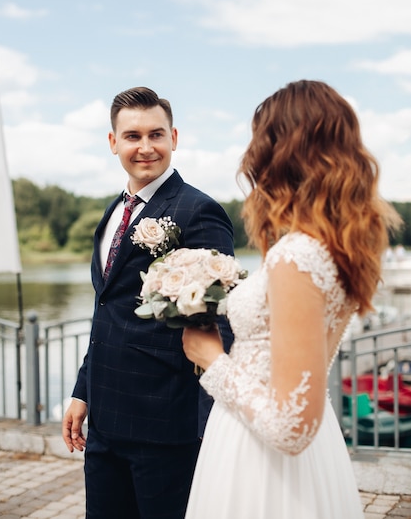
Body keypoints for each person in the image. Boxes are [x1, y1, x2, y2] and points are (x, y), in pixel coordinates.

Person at [182, 80, 400, 519]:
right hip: (308, 448)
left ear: (279, 154)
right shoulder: (334, 250)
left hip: (262, 458)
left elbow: (290, 428)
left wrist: (212, 359)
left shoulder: (297, 257)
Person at [62, 86, 234, 519]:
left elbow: (223, 320)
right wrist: (82, 393)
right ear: (113, 142)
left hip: (165, 425)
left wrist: (210, 425)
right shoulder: (112, 213)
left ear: (174, 138)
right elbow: (108, 313)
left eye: (155, 134)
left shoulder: (199, 211)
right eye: (133, 136)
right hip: (104, 422)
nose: (145, 147)